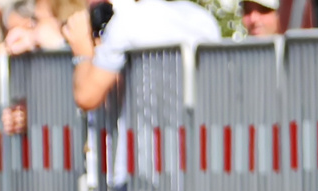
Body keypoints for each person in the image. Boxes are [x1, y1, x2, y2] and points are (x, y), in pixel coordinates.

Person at [63, 0, 220, 112]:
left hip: (146, 150)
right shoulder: (204, 20)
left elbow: (87, 96)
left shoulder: (128, 22)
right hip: (197, 148)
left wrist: (82, 50)